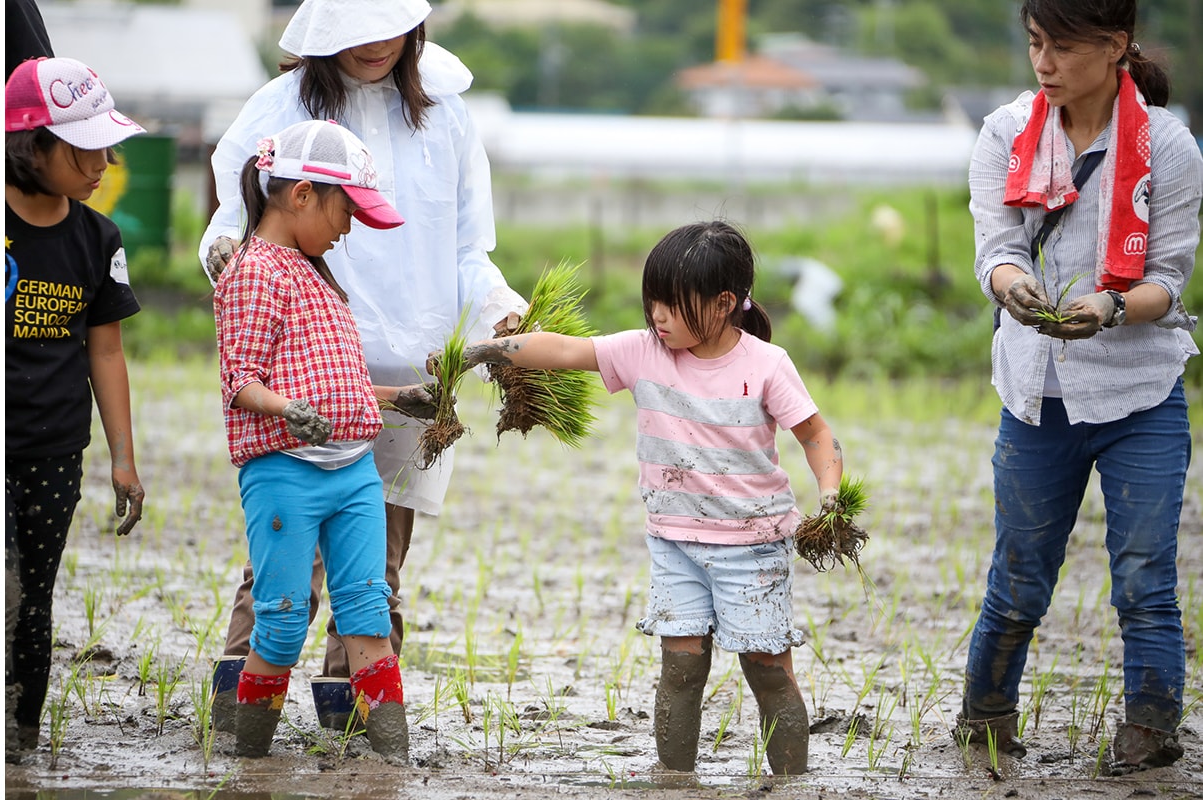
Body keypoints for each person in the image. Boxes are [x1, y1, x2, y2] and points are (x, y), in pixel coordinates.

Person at [200, 0, 527, 733]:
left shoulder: (445, 114)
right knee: (282, 565)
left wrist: (501, 315)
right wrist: (222, 254)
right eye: (359, 28)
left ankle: (351, 730)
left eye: (393, 26)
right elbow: (235, 215)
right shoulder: (280, 107)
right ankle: (237, 719)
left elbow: (470, 251)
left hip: (410, 383)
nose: (377, 44)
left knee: (377, 569)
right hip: (302, 374)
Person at [449, 221, 835, 775]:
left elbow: (816, 435)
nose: (658, 317)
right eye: (652, 302)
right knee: (680, 672)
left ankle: (794, 783)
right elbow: (561, 350)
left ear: (725, 303)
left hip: (752, 547)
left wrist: (828, 498)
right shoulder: (643, 352)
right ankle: (673, 782)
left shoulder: (766, 366)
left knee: (768, 668)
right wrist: (484, 350)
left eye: (672, 306)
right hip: (674, 543)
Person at [958, 0, 1197, 774]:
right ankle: (986, 713)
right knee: (1021, 571)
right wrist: (1012, 288)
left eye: (1062, 47)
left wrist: (1113, 306)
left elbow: (1169, 279)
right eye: (1035, 44)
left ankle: (1152, 728)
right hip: (1038, 391)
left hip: (1141, 390)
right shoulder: (1004, 133)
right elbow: (995, 247)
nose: (1044, 63)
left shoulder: (1169, 146)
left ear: (1117, 46)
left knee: (1143, 572)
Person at [213, 120, 430, 760]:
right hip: (285, 471)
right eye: (346, 211)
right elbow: (239, 379)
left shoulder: (318, 274)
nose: (349, 227)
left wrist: (393, 399)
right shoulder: (255, 272)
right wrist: (287, 411)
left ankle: (397, 760)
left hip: (353, 469)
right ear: (301, 194)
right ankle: (248, 760)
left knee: (368, 609)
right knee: (280, 621)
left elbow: (336, 385)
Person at [3, 56, 147, 761]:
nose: (104, 164)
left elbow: (107, 353)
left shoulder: (98, 239)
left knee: (34, 595)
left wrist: (123, 458)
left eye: (108, 147)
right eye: (86, 149)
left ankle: (19, 739)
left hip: (56, 446)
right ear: (32, 145)